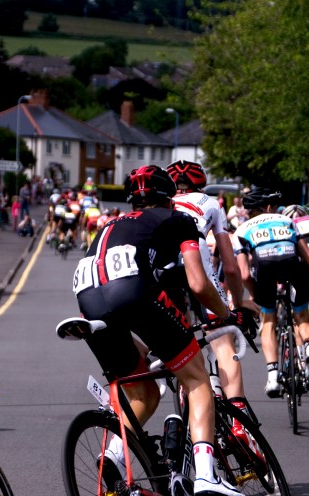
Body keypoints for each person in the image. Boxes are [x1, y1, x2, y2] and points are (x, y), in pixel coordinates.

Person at [72, 165, 246, 496]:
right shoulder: (177, 219)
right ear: (170, 198)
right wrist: (228, 314)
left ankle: (113, 456)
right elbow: (198, 283)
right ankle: (208, 479)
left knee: (145, 391)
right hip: (133, 292)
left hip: (87, 299)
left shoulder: (109, 224)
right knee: (196, 380)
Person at [166, 160, 258, 446]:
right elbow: (230, 267)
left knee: (180, 353)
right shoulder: (211, 203)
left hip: (165, 276)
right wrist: (238, 306)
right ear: (200, 183)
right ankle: (240, 422)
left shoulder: (161, 202)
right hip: (200, 269)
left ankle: (191, 408)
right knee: (223, 343)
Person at [233, 188, 309, 397]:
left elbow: (245, 274)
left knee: (269, 321)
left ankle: (273, 376)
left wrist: (255, 296)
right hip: (293, 264)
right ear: (268, 207)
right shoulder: (288, 221)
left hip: (264, 267)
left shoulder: (241, 229)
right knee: (301, 315)